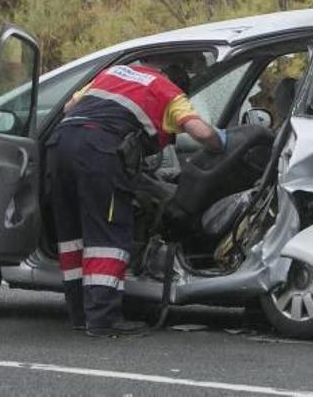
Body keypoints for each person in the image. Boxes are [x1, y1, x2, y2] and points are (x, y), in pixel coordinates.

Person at [49, 59, 224, 337]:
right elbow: (201, 132)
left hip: (59, 145)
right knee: (107, 236)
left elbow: (70, 107)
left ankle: (80, 314)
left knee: (72, 235)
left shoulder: (114, 72)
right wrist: (221, 141)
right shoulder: (169, 92)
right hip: (98, 151)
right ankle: (103, 319)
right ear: (177, 84)